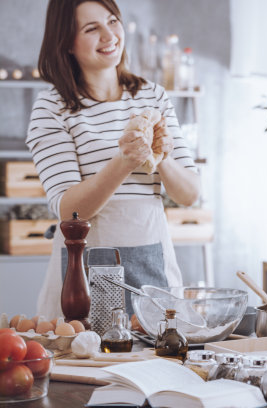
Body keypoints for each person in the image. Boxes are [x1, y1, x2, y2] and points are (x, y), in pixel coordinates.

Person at [26, 0, 200, 318]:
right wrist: (124, 161)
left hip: (153, 269)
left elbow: (189, 194)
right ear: (65, 42)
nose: (110, 36)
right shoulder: (52, 107)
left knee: (158, 360)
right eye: (92, 28)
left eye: (113, 21)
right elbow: (69, 210)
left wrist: (160, 156)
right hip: (84, 273)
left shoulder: (153, 96)